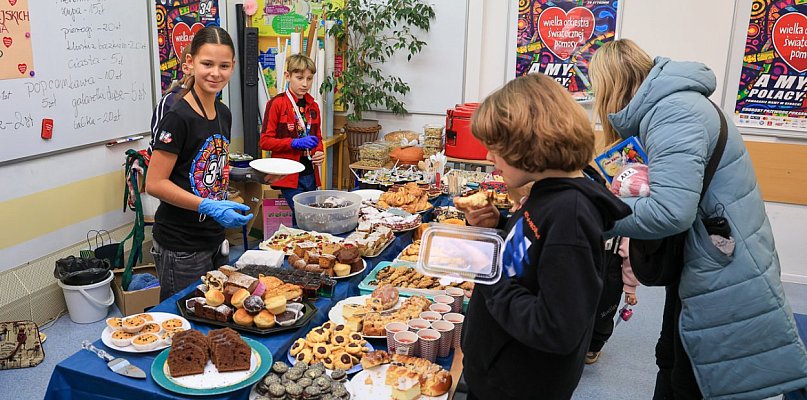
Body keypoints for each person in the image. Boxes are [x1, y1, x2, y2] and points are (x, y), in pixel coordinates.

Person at [589, 38, 807, 399]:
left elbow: (670, 211)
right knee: (672, 354)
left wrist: (596, 216)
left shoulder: (674, 112)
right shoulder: (671, 106)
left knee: (691, 371)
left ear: (611, 85)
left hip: (719, 259)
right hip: (708, 251)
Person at [457, 73, 632, 400]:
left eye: (495, 148)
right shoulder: (548, 195)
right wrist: (499, 226)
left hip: (519, 385)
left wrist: (489, 271)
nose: (488, 158)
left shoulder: (571, 216)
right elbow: (528, 261)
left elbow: (555, 328)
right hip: (498, 374)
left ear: (527, 142)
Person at [146, 26, 252, 301]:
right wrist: (206, 205)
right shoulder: (177, 116)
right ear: (190, 63)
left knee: (217, 314)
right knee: (187, 327)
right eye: (207, 64)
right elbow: (155, 183)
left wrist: (255, 180)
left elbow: (212, 168)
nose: (215, 73)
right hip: (181, 245)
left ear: (233, 67)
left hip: (215, 238)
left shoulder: (224, 113)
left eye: (224, 66)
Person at [259, 54, 324, 225]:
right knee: (303, 216)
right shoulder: (277, 104)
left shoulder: (313, 106)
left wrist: (319, 152)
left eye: (309, 78)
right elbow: (265, 141)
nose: (305, 84)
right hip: (288, 173)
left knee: (310, 216)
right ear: (288, 76)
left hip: (310, 172)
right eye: (300, 78)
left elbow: (318, 138)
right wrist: (293, 143)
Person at [148, 45, 193, 156]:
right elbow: (159, 143)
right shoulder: (170, 102)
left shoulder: (214, 106)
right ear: (186, 68)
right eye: (206, 64)